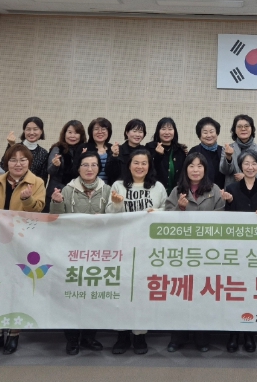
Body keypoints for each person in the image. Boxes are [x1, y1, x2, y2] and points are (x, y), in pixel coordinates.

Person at [0, 144, 46, 356]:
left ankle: (14, 334)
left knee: (17, 287)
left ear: (29, 162)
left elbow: (38, 210)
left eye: (23, 160)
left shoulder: (37, 182)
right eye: (13, 160)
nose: (18, 164)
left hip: (21, 243)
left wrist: (27, 198)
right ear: (7, 162)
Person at [106, 149, 167, 355]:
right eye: (136, 163)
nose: (140, 167)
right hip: (122, 245)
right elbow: (109, 215)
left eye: (144, 163)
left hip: (148, 247)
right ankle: (121, 335)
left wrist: (156, 212)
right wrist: (116, 205)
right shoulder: (118, 186)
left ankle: (140, 334)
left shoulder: (158, 187)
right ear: (129, 165)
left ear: (149, 166)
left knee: (142, 291)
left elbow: (168, 211)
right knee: (121, 290)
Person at [50, 151, 111, 355]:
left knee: (94, 295)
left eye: (94, 165)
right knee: (72, 296)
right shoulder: (67, 190)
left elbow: (116, 219)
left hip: (99, 252)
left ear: (99, 168)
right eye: (85, 165)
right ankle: (72, 339)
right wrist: (57, 202)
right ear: (78, 168)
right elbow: (55, 220)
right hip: (72, 251)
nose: (90, 169)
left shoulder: (108, 190)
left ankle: (89, 337)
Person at [165, 153, 225, 352]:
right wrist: (180, 209)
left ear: (205, 170)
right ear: (186, 169)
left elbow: (222, 218)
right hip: (182, 251)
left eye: (200, 166)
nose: (196, 170)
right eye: (192, 166)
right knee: (180, 292)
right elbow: (166, 221)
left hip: (207, 251)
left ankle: (202, 338)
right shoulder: (176, 191)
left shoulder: (214, 190)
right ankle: (177, 337)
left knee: (203, 293)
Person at [222, 151, 257, 353]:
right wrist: (228, 202)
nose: (250, 167)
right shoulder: (231, 188)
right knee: (235, 291)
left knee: (252, 291)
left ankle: (250, 334)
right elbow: (227, 219)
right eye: (246, 163)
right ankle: (233, 334)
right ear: (240, 166)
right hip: (236, 248)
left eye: (254, 164)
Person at [47, 120, 87, 209]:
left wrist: (83, 158)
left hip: (77, 193)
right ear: (64, 133)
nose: (72, 136)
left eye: (76, 133)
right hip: (56, 191)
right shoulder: (57, 149)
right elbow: (49, 171)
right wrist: (55, 165)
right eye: (70, 132)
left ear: (81, 135)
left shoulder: (84, 150)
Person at [219, 114, 257, 188]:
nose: (243, 129)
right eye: (239, 126)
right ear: (234, 130)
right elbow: (224, 171)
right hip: (232, 189)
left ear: (252, 129)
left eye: (246, 126)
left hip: (254, 189)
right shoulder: (227, 148)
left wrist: (247, 177)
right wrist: (228, 157)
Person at [145, 117, 187, 195]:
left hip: (176, 193)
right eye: (163, 129)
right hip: (154, 191)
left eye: (170, 129)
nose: (167, 132)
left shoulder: (180, 150)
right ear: (158, 131)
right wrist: (158, 155)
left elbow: (184, 173)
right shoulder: (150, 148)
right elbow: (148, 169)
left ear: (174, 132)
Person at [0, 117, 48, 182]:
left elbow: (43, 178)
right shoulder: (15, 147)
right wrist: (12, 146)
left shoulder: (43, 153)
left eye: (35, 129)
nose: (31, 132)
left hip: (32, 186)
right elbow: (3, 165)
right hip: (12, 185)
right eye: (28, 129)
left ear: (41, 131)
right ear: (24, 131)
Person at [188, 117, 226, 190]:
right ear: (200, 136)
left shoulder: (223, 151)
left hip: (221, 192)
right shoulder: (194, 151)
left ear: (217, 133)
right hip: (200, 191)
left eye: (211, 132)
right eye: (205, 132)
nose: (209, 135)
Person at [105, 119, 146, 184]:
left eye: (140, 132)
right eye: (134, 131)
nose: (137, 134)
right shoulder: (117, 150)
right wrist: (114, 156)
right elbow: (109, 173)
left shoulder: (145, 151)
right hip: (119, 187)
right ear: (127, 133)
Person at [78, 117, 114, 185]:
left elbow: (117, 172)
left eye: (103, 129)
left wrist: (115, 156)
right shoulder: (83, 147)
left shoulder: (113, 148)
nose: (100, 132)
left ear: (108, 132)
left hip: (109, 187)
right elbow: (74, 171)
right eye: (96, 129)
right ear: (91, 132)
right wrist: (81, 159)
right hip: (87, 186)